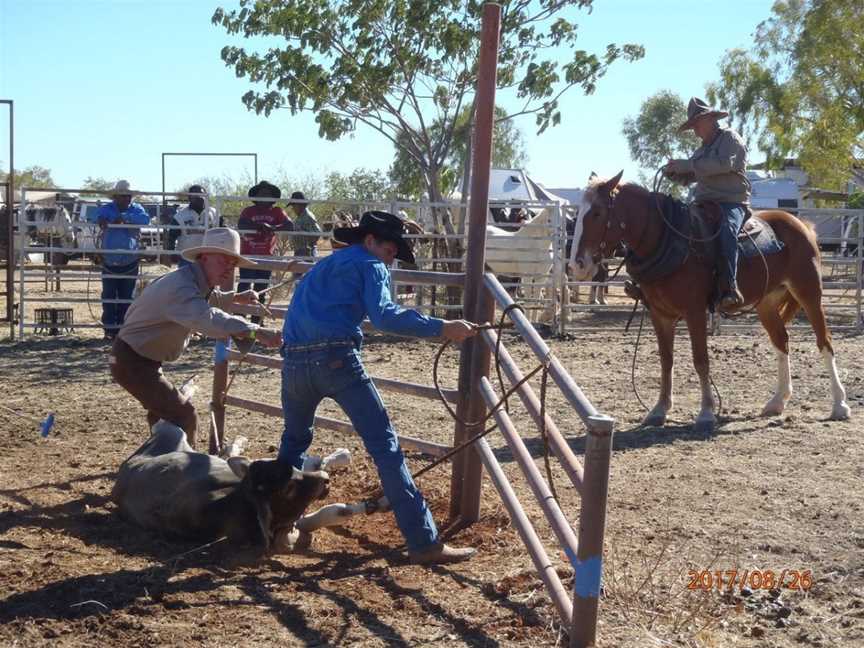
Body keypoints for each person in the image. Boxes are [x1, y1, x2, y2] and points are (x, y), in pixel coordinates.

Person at [278, 210, 479, 566]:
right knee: (384, 447)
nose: (391, 258)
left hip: (294, 362)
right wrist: (442, 327)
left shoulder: (324, 266)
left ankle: (275, 528)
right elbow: (384, 316)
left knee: (294, 442)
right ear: (370, 241)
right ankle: (423, 540)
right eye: (389, 250)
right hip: (336, 359)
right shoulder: (371, 266)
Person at [110, 227, 282, 445]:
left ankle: (160, 461)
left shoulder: (189, 280)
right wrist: (254, 330)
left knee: (166, 411)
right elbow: (206, 316)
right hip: (132, 361)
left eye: (233, 263)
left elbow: (208, 301)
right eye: (224, 260)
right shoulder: (181, 287)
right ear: (204, 257)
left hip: (138, 358)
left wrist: (236, 298)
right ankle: (182, 470)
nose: (229, 267)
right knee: (184, 415)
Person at [664, 97, 752, 311]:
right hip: (703, 204)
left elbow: (723, 164)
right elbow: (693, 174)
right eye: (692, 126)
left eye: (696, 124)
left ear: (711, 119)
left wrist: (688, 164)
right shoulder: (702, 150)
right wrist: (675, 173)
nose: (695, 130)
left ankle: (730, 286)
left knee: (727, 230)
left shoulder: (730, 139)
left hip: (731, 203)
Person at [95, 180, 151, 341]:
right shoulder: (107, 208)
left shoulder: (137, 209)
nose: (127, 198)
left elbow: (145, 220)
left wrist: (123, 218)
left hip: (129, 258)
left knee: (127, 296)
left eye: (128, 196)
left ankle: (122, 328)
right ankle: (110, 329)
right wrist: (110, 220)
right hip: (110, 259)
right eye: (123, 196)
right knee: (109, 295)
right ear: (116, 196)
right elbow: (98, 217)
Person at [237, 181, 294, 321]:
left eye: (268, 194)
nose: (264, 197)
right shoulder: (249, 211)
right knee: (244, 285)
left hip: (266, 256)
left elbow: (289, 225)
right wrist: (259, 225)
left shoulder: (277, 211)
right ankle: (239, 317)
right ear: (256, 197)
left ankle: (257, 319)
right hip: (248, 255)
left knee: (261, 286)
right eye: (262, 194)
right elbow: (242, 223)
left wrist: (273, 227)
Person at [168, 185, 218, 268]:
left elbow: (223, 231)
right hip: (186, 258)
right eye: (195, 195)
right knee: (186, 280)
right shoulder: (180, 216)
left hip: (209, 257)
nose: (200, 197)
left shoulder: (214, 213)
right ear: (189, 198)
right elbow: (171, 236)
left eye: (202, 194)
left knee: (207, 280)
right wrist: (172, 253)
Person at [288, 191, 322, 259]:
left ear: (300, 204)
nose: (293, 208)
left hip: (307, 253)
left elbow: (317, 233)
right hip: (300, 252)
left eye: (294, 205)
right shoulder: (300, 217)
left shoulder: (308, 216)